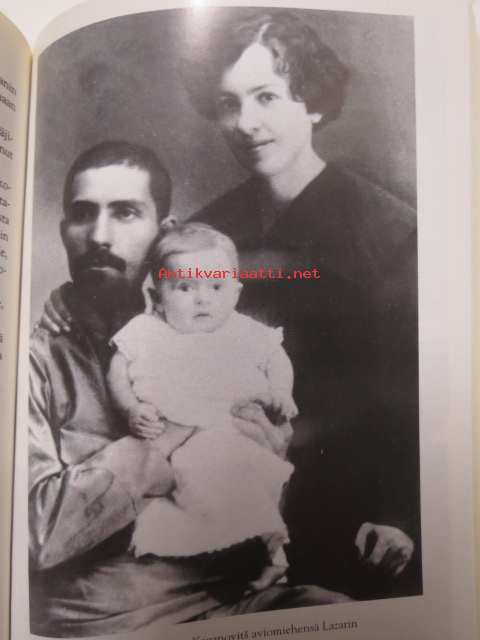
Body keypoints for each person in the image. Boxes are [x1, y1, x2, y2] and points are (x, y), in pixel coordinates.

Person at [29, 141, 351, 638]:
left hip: (241, 597)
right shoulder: (33, 359)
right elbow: (31, 534)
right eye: (83, 214)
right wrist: (162, 442)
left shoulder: (217, 331)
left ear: (164, 232)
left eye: (125, 212)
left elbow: (262, 476)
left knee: (342, 613)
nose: (99, 235)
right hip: (117, 622)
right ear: (63, 230)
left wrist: (270, 446)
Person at [186, 10, 420, 598]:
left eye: (266, 97)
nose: (246, 123)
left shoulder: (391, 233)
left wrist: (400, 512)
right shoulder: (208, 232)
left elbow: (416, 391)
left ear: (312, 102)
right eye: (229, 103)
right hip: (229, 512)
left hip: (357, 513)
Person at [108, 221, 295, 582]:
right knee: (191, 499)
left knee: (249, 492)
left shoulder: (243, 330)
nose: (202, 298)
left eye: (216, 286)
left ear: (236, 292)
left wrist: (281, 392)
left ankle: (267, 555)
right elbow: (118, 369)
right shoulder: (146, 329)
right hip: (177, 441)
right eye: (185, 287)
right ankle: (224, 561)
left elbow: (277, 358)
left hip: (236, 433)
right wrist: (131, 408)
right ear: (157, 295)